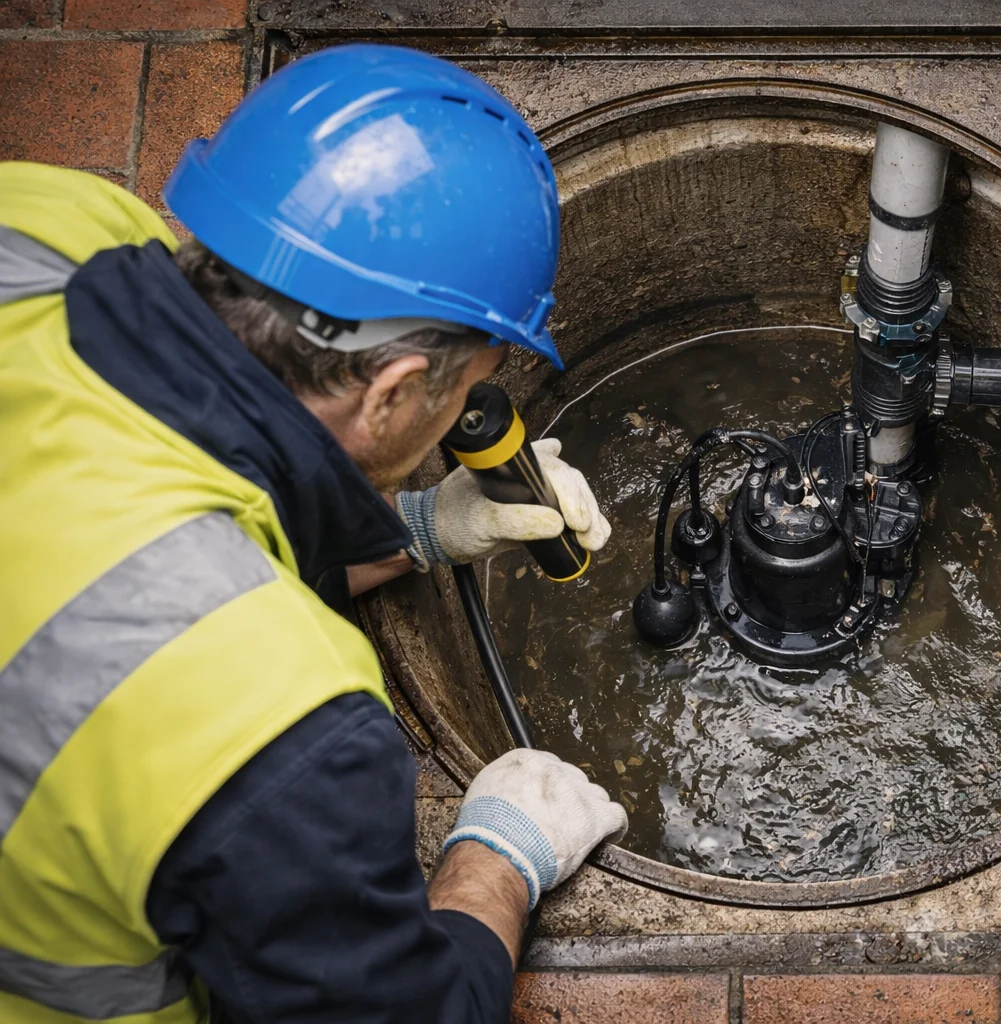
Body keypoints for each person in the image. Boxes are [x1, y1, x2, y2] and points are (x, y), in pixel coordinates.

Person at [0, 43, 628, 1023]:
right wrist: (495, 862)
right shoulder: (275, 733)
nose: (464, 415)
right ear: (394, 390)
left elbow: (150, 523)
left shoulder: (48, 222)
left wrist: (415, 531)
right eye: (464, 389)